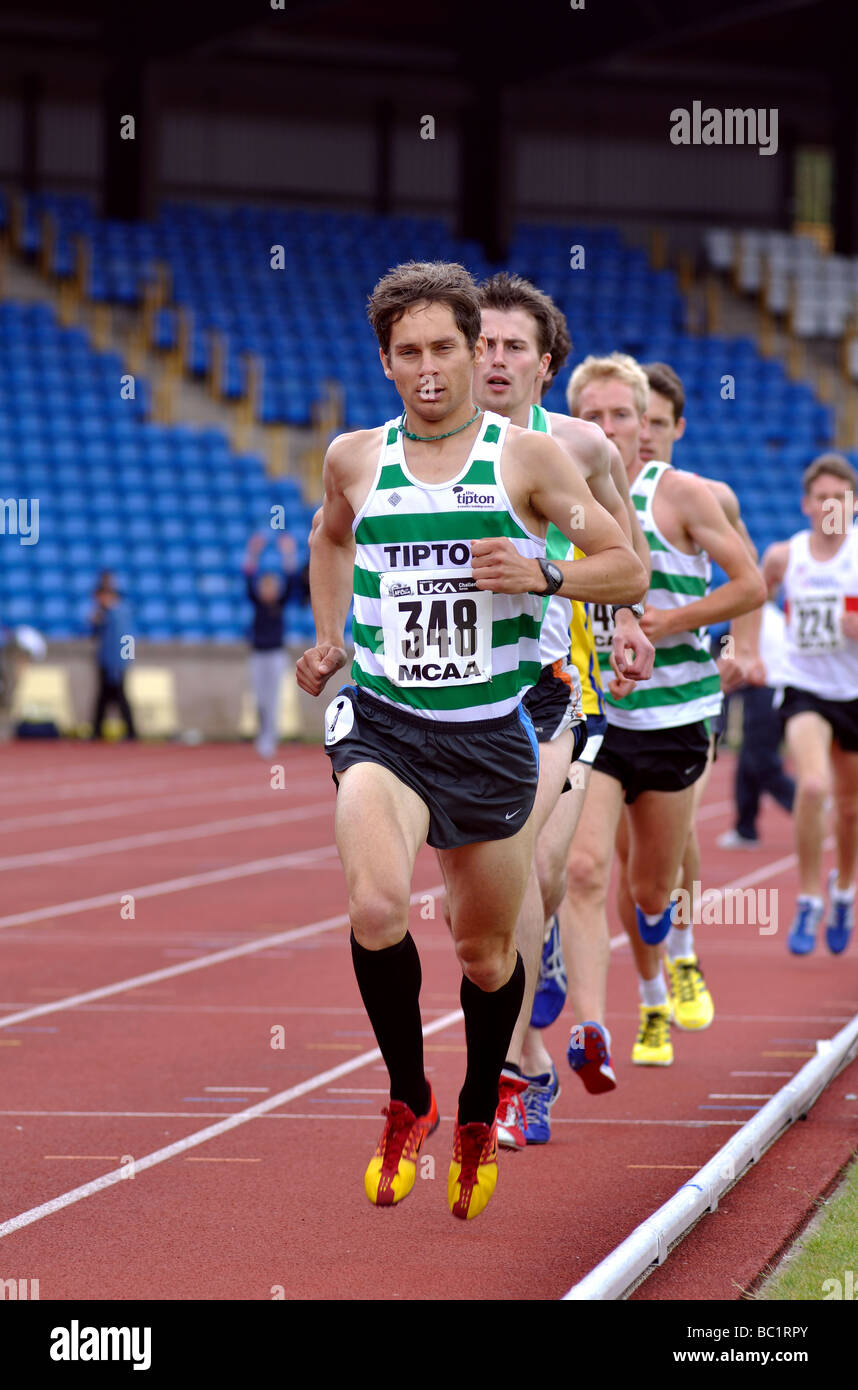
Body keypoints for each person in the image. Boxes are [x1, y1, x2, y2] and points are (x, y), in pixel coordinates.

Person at [297, 261, 647, 1219]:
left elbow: (623, 563)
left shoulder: (525, 460)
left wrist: (544, 573)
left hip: (491, 734)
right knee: (376, 908)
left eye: (445, 348)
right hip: (385, 728)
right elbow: (329, 539)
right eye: (407, 353)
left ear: (469, 349)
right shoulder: (355, 459)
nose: (430, 369)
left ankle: (476, 1103)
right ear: (386, 362)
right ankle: (408, 1099)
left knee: (487, 954)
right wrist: (331, 637)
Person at [471, 274, 654, 1147]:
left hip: (550, 691)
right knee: (486, 901)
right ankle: (533, 1062)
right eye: (482, 343)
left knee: (535, 866)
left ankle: (511, 1073)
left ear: (546, 365)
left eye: (512, 346)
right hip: (447, 705)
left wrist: (622, 623)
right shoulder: (425, 448)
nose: (493, 359)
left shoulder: (582, 447)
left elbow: (627, 558)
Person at [560, 352, 765, 1070]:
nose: (620, 430)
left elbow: (750, 585)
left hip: (677, 712)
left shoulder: (685, 495)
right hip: (592, 719)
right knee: (587, 868)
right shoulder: (550, 487)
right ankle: (642, 1003)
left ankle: (674, 946)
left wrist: (677, 629)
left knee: (655, 879)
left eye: (631, 418)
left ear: (657, 425)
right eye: (599, 416)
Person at [761, 453, 858, 955]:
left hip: (854, 693)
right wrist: (750, 653)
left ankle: (844, 889)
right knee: (814, 783)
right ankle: (809, 895)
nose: (829, 506)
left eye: (840, 498)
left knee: (849, 808)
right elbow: (752, 598)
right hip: (804, 688)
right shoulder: (784, 554)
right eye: (821, 497)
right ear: (806, 504)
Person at [717, 599, 796, 850]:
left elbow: (730, 655)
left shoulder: (748, 616)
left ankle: (804, 805)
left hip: (767, 690)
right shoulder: (772, 615)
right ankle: (746, 828)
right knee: (748, 763)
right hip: (775, 689)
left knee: (760, 761)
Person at [243, 532, 301, 758]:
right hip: (258, 655)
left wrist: (288, 554)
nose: (268, 590)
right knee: (259, 698)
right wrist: (253, 553)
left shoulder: (281, 602)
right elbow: (247, 578)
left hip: (276, 654)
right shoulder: (257, 603)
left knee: (273, 697)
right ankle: (262, 733)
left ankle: (270, 738)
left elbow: (292, 580)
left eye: (271, 586)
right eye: (264, 585)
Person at [90, 578, 137, 740]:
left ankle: (131, 731)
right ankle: (97, 730)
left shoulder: (119, 614)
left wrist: (124, 661)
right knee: (104, 698)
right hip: (107, 661)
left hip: (115, 663)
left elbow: (127, 639)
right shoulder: (107, 614)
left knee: (119, 697)